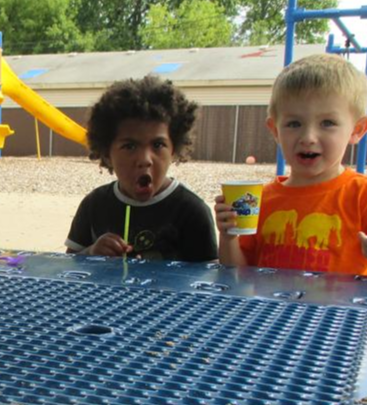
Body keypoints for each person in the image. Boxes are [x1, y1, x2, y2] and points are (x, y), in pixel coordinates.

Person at [215, 54, 367, 275]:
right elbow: (238, 275)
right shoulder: (262, 200)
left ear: (357, 130)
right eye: (294, 123)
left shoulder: (361, 195)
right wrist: (228, 237)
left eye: (327, 123)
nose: (308, 137)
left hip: (337, 311)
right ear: (275, 131)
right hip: (270, 310)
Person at [66, 76, 217, 261]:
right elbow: (69, 266)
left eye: (158, 145)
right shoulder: (94, 205)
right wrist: (91, 253)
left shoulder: (192, 211)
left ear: (174, 150)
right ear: (107, 154)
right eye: (129, 146)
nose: (145, 160)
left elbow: (207, 278)